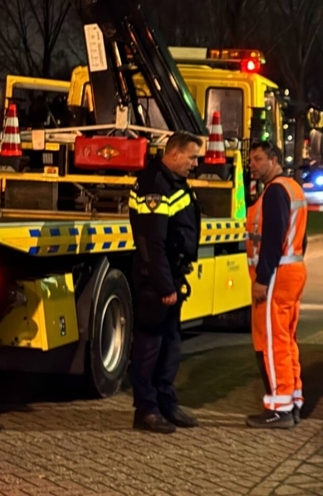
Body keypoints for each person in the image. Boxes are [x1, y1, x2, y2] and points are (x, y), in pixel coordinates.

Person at [128, 130, 203, 433]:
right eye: (192, 157)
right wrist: (164, 285)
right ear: (174, 153)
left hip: (170, 275)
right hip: (155, 281)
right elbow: (151, 242)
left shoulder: (173, 181)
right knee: (149, 346)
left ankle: (166, 403)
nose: (195, 163)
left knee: (170, 345)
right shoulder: (154, 186)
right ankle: (146, 410)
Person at [245, 141, 308, 429]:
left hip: (276, 275)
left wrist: (262, 278)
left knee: (272, 343)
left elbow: (272, 238)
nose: (252, 164)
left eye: (258, 159)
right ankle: (293, 400)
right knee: (286, 339)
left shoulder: (274, 192)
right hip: (292, 270)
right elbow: (299, 237)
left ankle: (279, 408)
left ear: (274, 160)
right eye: (251, 159)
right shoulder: (293, 188)